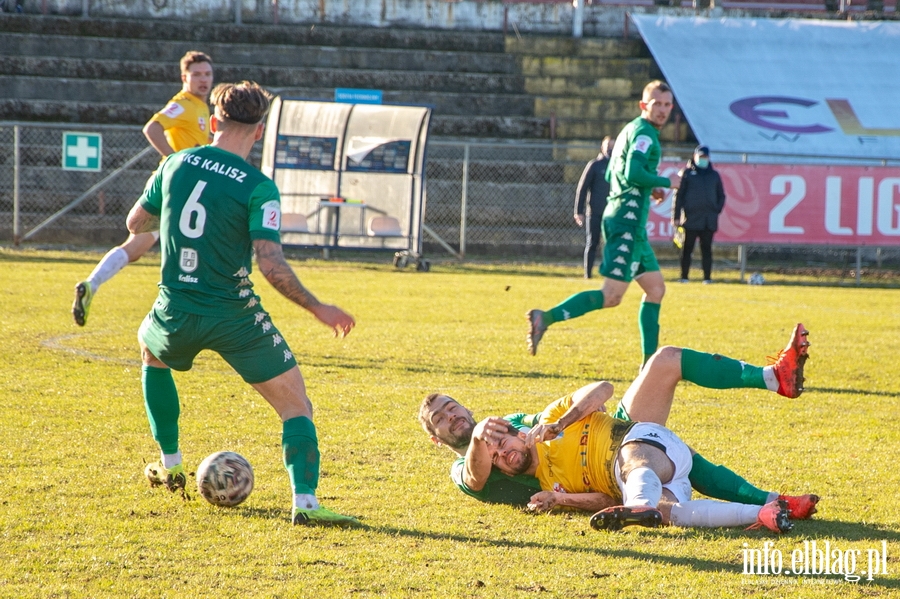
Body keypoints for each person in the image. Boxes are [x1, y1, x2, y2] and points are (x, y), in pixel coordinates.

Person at [126, 81, 359, 527]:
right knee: (296, 407)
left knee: (151, 353)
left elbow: (136, 221)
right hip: (235, 316)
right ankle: (306, 503)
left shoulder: (174, 164)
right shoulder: (258, 187)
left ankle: (171, 463)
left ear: (214, 123)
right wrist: (318, 308)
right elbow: (271, 265)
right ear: (258, 132)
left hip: (175, 307)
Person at [419, 324, 816, 520]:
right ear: (437, 438)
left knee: (665, 360)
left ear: (466, 407)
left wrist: (560, 424)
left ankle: (772, 377)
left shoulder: (505, 423)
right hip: (600, 478)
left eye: (452, 406)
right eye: (440, 418)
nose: (450, 415)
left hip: (603, 442)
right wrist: (478, 441)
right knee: (671, 489)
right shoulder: (461, 466)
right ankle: (770, 503)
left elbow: (574, 405)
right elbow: (475, 477)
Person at [481, 390, 795, 533]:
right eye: (496, 459)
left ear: (519, 434)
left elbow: (602, 388)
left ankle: (641, 504)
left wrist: (561, 423)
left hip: (646, 443)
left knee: (631, 463)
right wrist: (559, 498)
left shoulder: (551, 418)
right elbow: (605, 500)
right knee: (669, 513)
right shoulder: (550, 485)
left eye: (502, 443)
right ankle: (765, 513)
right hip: (643, 485)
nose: (502, 454)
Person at [527, 81, 680, 365]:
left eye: (667, 105)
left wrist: (651, 188)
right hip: (627, 221)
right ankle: (544, 318)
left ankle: (650, 365)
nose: (662, 110)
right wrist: (665, 181)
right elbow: (633, 171)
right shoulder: (646, 134)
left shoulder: (630, 130)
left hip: (628, 220)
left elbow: (615, 174)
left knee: (656, 289)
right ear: (643, 104)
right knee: (611, 296)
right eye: (656, 103)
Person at [72, 51, 214, 326]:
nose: (203, 79)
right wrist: (174, 160)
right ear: (184, 77)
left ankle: (91, 285)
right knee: (196, 244)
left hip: (176, 186)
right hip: (177, 186)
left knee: (136, 247)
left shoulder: (200, 107)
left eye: (207, 74)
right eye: (196, 74)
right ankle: (188, 316)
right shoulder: (183, 103)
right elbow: (152, 128)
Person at [672, 145, 726, 284]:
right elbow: (678, 196)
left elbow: (721, 195)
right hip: (691, 218)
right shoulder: (687, 173)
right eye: (700, 157)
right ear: (694, 157)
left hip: (708, 219)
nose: (702, 160)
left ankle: (707, 278)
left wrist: (716, 209)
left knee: (706, 249)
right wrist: (676, 216)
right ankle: (684, 277)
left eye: (705, 157)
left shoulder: (714, 175)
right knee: (687, 249)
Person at [575, 136, 613, 279]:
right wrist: (579, 211)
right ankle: (588, 274)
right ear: (602, 147)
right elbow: (582, 188)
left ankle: (609, 274)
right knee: (592, 243)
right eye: (608, 146)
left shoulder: (619, 166)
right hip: (595, 212)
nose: (611, 149)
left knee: (611, 245)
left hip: (612, 213)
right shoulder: (595, 165)